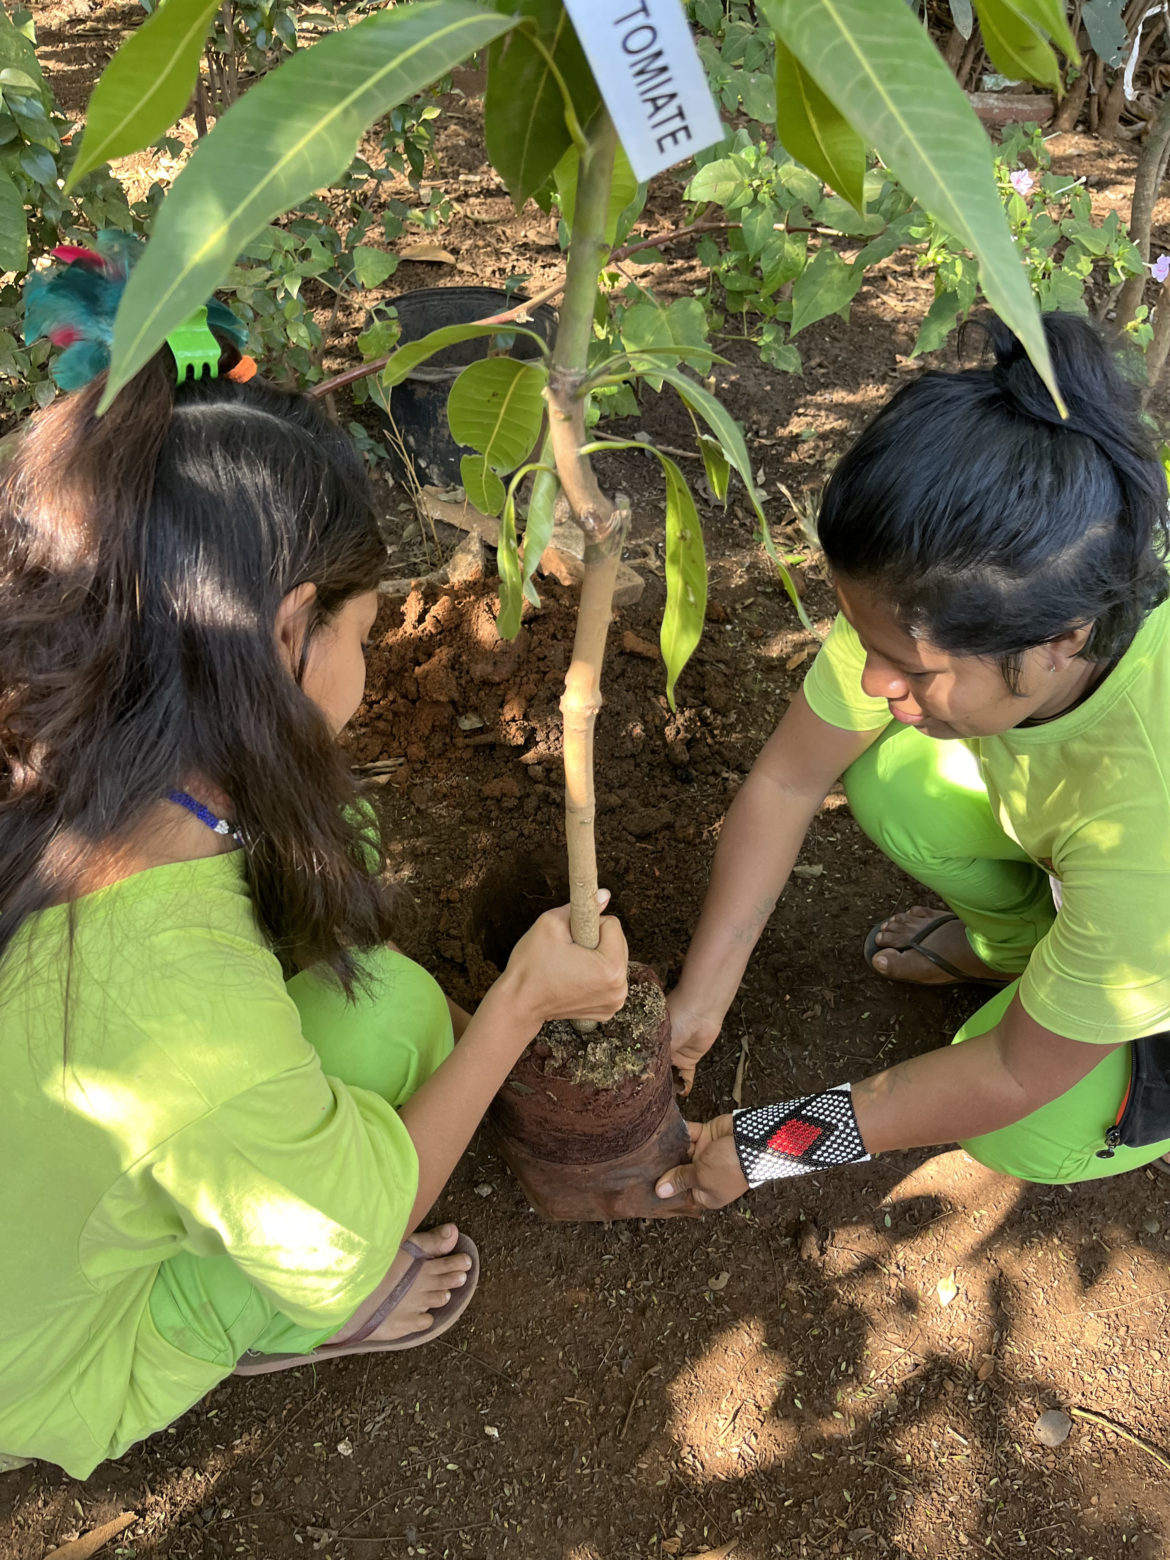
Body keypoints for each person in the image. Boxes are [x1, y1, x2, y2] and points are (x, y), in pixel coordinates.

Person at [0, 245, 628, 1479]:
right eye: (362, 631)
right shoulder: (183, 1028)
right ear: (287, 632)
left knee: (379, 1001)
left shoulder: (53, 737)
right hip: (38, 1360)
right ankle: (268, 1331)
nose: (372, 664)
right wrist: (519, 1009)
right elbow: (345, 1228)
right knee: (340, 1209)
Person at [654, 311, 1170, 1211]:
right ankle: (1018, 957)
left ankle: (1090, 1028)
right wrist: (701, 999)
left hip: (1152, 944)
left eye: (915, 670)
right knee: (896, 781)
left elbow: (1013, 1073)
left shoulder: (1147, 825)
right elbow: (787, 779)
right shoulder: (976, 592)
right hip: (1103, 871)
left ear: (1061, 639)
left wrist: (772, 1143)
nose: (875, 681)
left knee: (1024, 1121)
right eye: (866, 640)